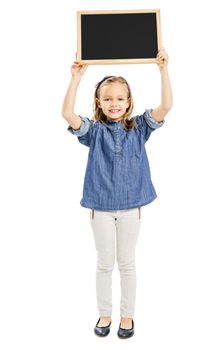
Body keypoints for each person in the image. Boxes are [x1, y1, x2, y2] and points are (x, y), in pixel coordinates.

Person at [62, 48, 173, 338]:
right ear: (98, 102)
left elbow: (166, 106)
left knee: (127, 262)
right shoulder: (93, 131)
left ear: (128, 102)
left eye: (120, 98)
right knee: (103, 262)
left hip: (130, 208)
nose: (114, 103)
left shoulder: (139, 127)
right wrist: (76, 77)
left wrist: (163, 69)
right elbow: (67, 114)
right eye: (108, 98)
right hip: (100, 207)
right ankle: (104, 314)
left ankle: (127, 316)